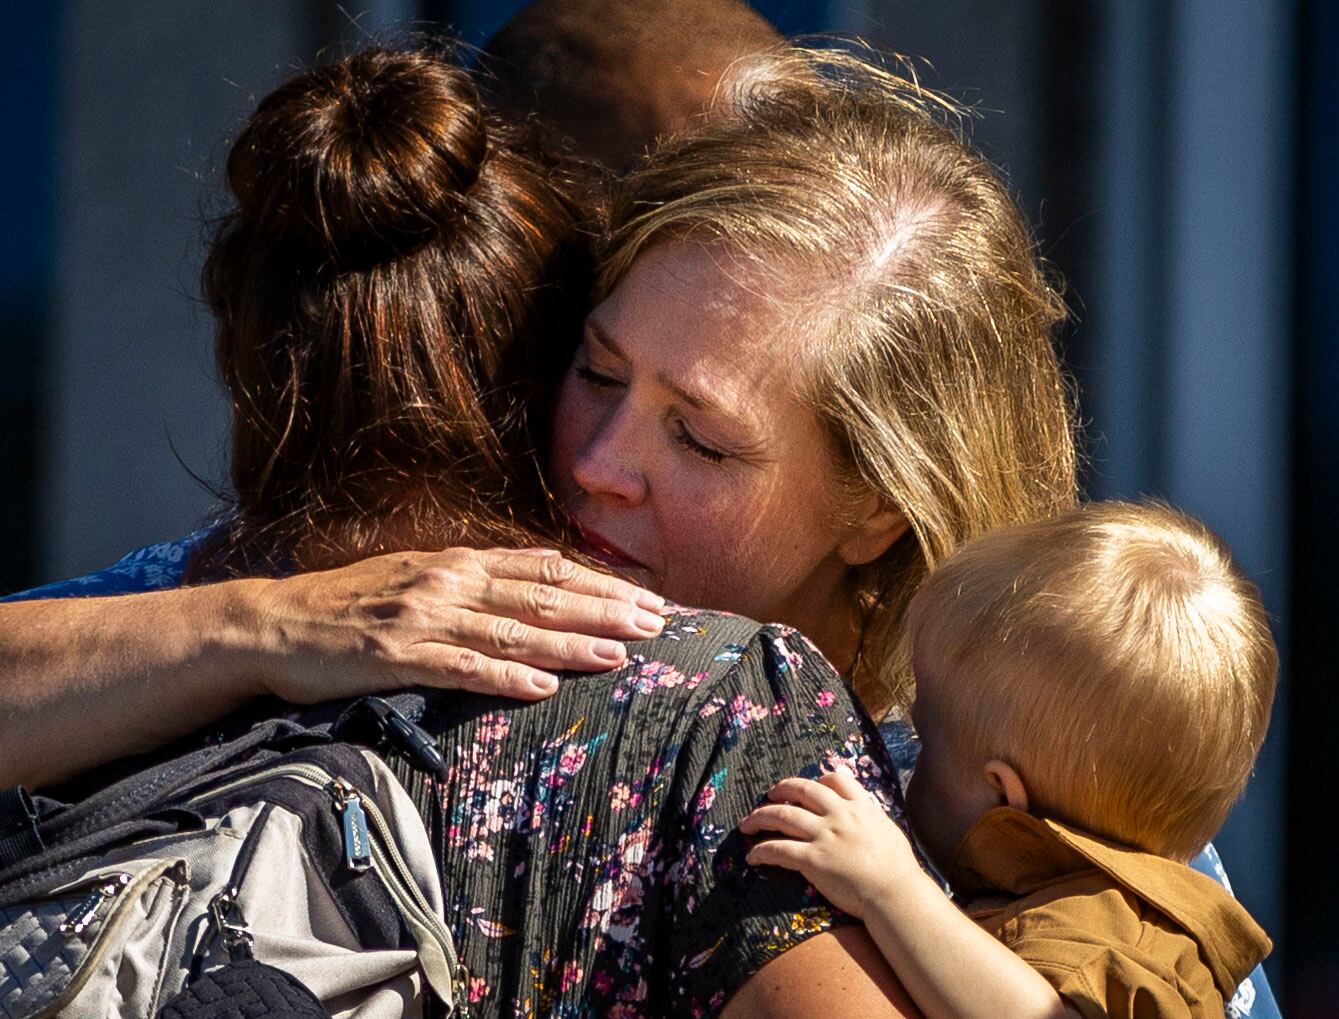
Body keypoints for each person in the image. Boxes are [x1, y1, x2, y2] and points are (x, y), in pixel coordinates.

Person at [0, 39, 1275, 1015]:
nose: (601, 463)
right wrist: (256, 621)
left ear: (880, 504)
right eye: (598, 371)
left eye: (703, 440)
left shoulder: (1079, 806)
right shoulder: (344, 608)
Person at [742, 501, 1276, 1018]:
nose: (906, 759)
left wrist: (890, 889)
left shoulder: (1103, 935)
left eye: (924, 742)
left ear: (1002, 795)